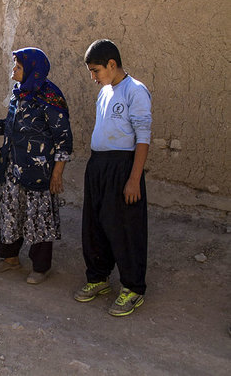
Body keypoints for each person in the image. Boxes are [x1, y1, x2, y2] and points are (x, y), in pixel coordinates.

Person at [0, 47, 72, 284]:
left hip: (39, 171)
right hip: (14, 166)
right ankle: (9, 259)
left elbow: (64, 138)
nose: (13, 70)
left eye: (18, 66)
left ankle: (40, 267)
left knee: (38, 217)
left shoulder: (50, 96)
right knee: (10, 213)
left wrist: (58, 172)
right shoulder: (20, 93)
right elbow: (14, 125)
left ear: (32, 70)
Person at [73, 39, 152, 317]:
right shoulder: (105, 92)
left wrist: (133, 179)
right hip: (99, 165)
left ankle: (133, 288)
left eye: (96, 71)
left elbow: (143, 138)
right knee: (95, 224)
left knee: (125, 227)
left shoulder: (135, 91)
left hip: (123, 166)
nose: (93, 78)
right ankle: (98, 278)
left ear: (112, 64)